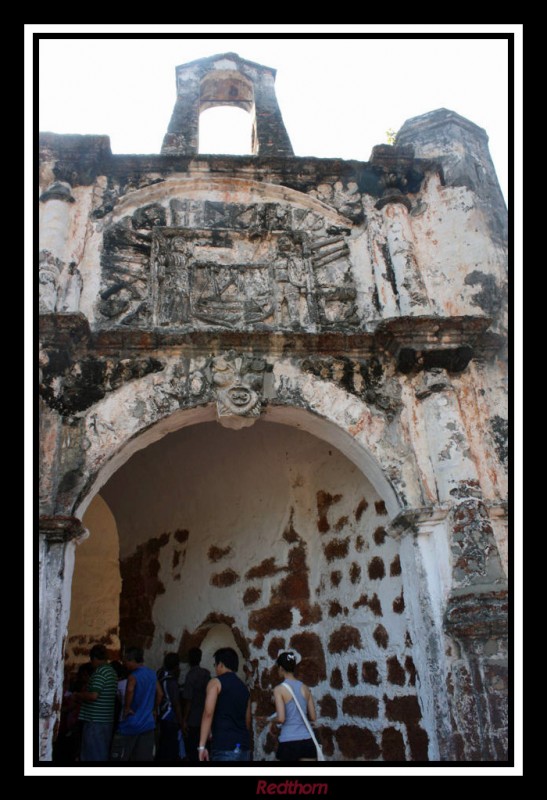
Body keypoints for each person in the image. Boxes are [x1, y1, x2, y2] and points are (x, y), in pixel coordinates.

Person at [198, 647, 251, 762]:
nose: (216, 669)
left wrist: (202, 746)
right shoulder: (244, 688)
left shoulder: (215, 683)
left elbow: (208, 713)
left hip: (224, 745)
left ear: (220, 664)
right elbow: (247, 722)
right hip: (243, 746)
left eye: (215, 665)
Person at [110, 646, 163, 762]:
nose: (125, 664)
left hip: (131, 724)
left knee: (120, 756)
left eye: (126, 661)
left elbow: (129, 690)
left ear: (132, 660)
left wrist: (127, 708)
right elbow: (160, 694)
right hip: (148, 724)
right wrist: (154, 709)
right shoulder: (152, 674)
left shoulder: (133, 676)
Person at [271, 651, 318, 762]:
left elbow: (281, 718)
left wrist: (272, 719)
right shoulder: (305, 688)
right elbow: (313, 717)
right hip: (307, 740)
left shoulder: (279, 689)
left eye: (278, 668)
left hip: (288, 742)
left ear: (281, 668)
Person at [75, 645, 118, 762]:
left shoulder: (100, 672)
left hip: (95, 719)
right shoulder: (111, 671)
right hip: (105, 718)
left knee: (93, 754)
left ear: (94, 658)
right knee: (101, 751)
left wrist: (78, 695)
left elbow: (93, 695)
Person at [182, 647, 210, 762]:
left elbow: (188, 700)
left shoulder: (190, 676)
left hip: (193, 718)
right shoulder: (206, 673)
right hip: (204, 715)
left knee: (193, 749)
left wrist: (184, 719)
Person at [156, 652, 185, 761]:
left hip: (161, 714)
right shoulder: (171, 681)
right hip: (169, 716)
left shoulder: (160, 673)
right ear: (176, 666)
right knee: (170, 748)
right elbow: (176, 704)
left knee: (162, 744)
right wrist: (181, 722)